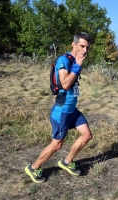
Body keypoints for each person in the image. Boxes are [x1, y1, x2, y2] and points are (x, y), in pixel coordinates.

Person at [25, 32, 93, 183]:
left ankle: (66, 162)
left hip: (72, 110)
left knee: (87, 135)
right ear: (73, 44)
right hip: (62, 110)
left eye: (87, 47)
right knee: (57, 144)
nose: (85, 50)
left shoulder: (74, 60)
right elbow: (65, 84)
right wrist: (77, 66)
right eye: (82, 46)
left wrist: (77, 65)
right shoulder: (64, 60)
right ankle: (34, 167)